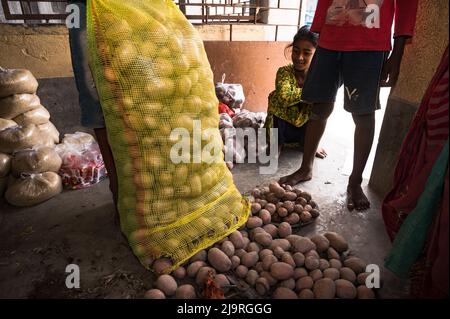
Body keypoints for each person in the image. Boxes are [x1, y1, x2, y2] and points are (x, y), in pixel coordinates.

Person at [279, 0, 419, 211]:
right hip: (329, 40)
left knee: (363, 114)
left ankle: (355, 181)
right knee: (319, 107)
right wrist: (319, 30)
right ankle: (305, 167)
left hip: (369, 45)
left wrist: (396, 55)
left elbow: (407, 5)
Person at [68, 0, 119, 213]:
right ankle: (118, 192)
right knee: (98, 108)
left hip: (117, 16)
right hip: (87, 10)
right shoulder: (78, 13)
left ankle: (128, 195)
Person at [264, 26, 327, 159]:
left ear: (316, 54)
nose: (299, 57)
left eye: (307, 53)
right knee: (277, 97)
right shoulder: (284, 72)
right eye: (296, 51)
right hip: (282, 128)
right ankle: (277, 144)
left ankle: (310, 143)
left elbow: (324, 102)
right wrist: (310, 94)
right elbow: (285, 97)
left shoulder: (319, 77)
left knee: (322, 106)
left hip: (304, 130)